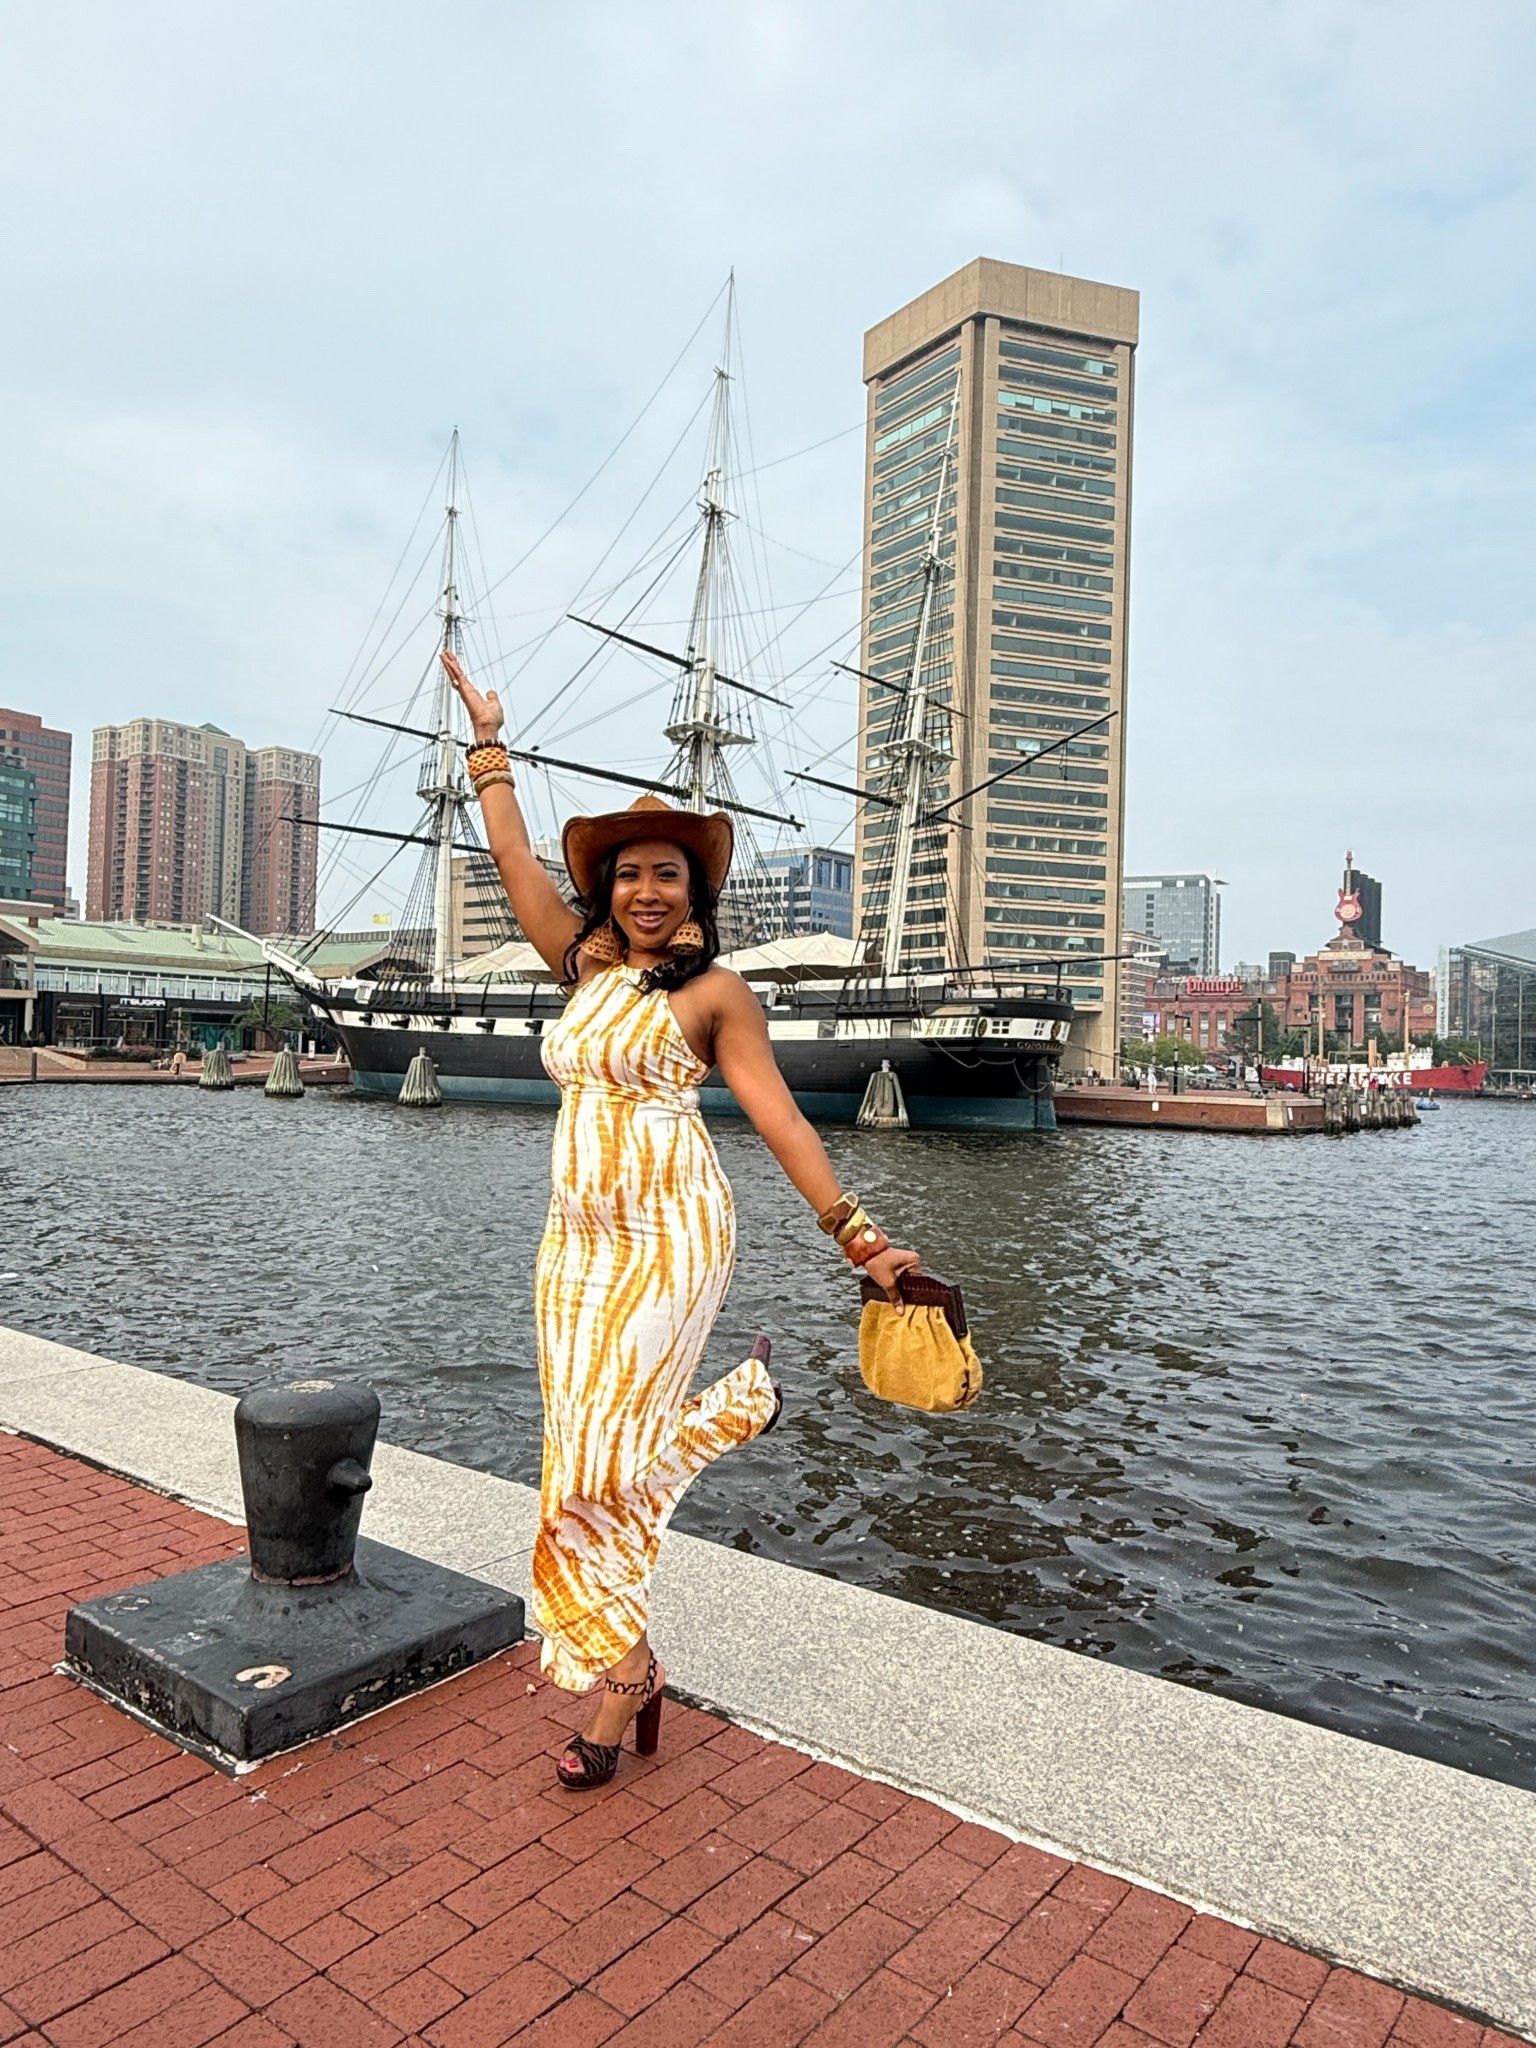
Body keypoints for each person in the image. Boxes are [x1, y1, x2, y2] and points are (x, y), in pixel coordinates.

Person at [440, 650, 920, 1791]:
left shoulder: (717, 995)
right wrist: (490, 747)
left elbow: (784, 1122)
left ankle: (617, 1681)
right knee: (572, 1460)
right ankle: (639, 1646)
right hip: (573, 1247)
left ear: (694, 894)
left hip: (670, 1236)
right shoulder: (582, 968)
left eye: (668, 876)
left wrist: (859, 1236)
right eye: (630, 877)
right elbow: (511, 856)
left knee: (605, 1453)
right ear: (607, 891)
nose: (647, 892)